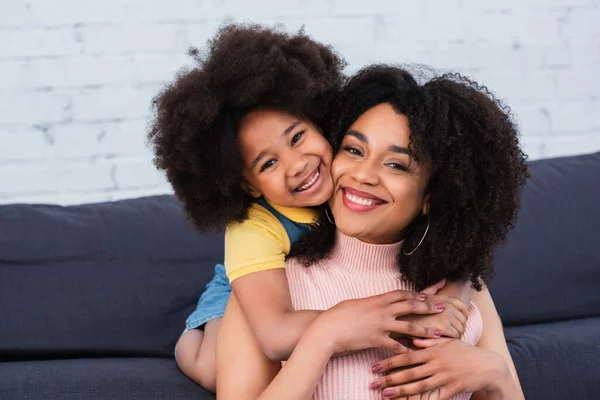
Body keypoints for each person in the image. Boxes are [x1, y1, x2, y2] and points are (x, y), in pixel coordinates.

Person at [149, 25, 472, 391]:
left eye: (298, 137)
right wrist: (362, 321)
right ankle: (187, 344)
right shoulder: (253, 229)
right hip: (244, 292)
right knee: (211, 369)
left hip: (308, 294)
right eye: (268, 164)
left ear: (317, 121)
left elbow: (457, 249)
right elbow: (274, 334)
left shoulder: (350, 173)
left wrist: (455, 294)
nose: (297, 164)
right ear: (249, 186)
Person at [216, 65, 528, 399]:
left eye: (396, 164)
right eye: (353, 150)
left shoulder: (462, 288)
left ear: (431, 195)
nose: (363, 175)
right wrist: (326, 335)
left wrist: (494, 375)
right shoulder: (272, 294)